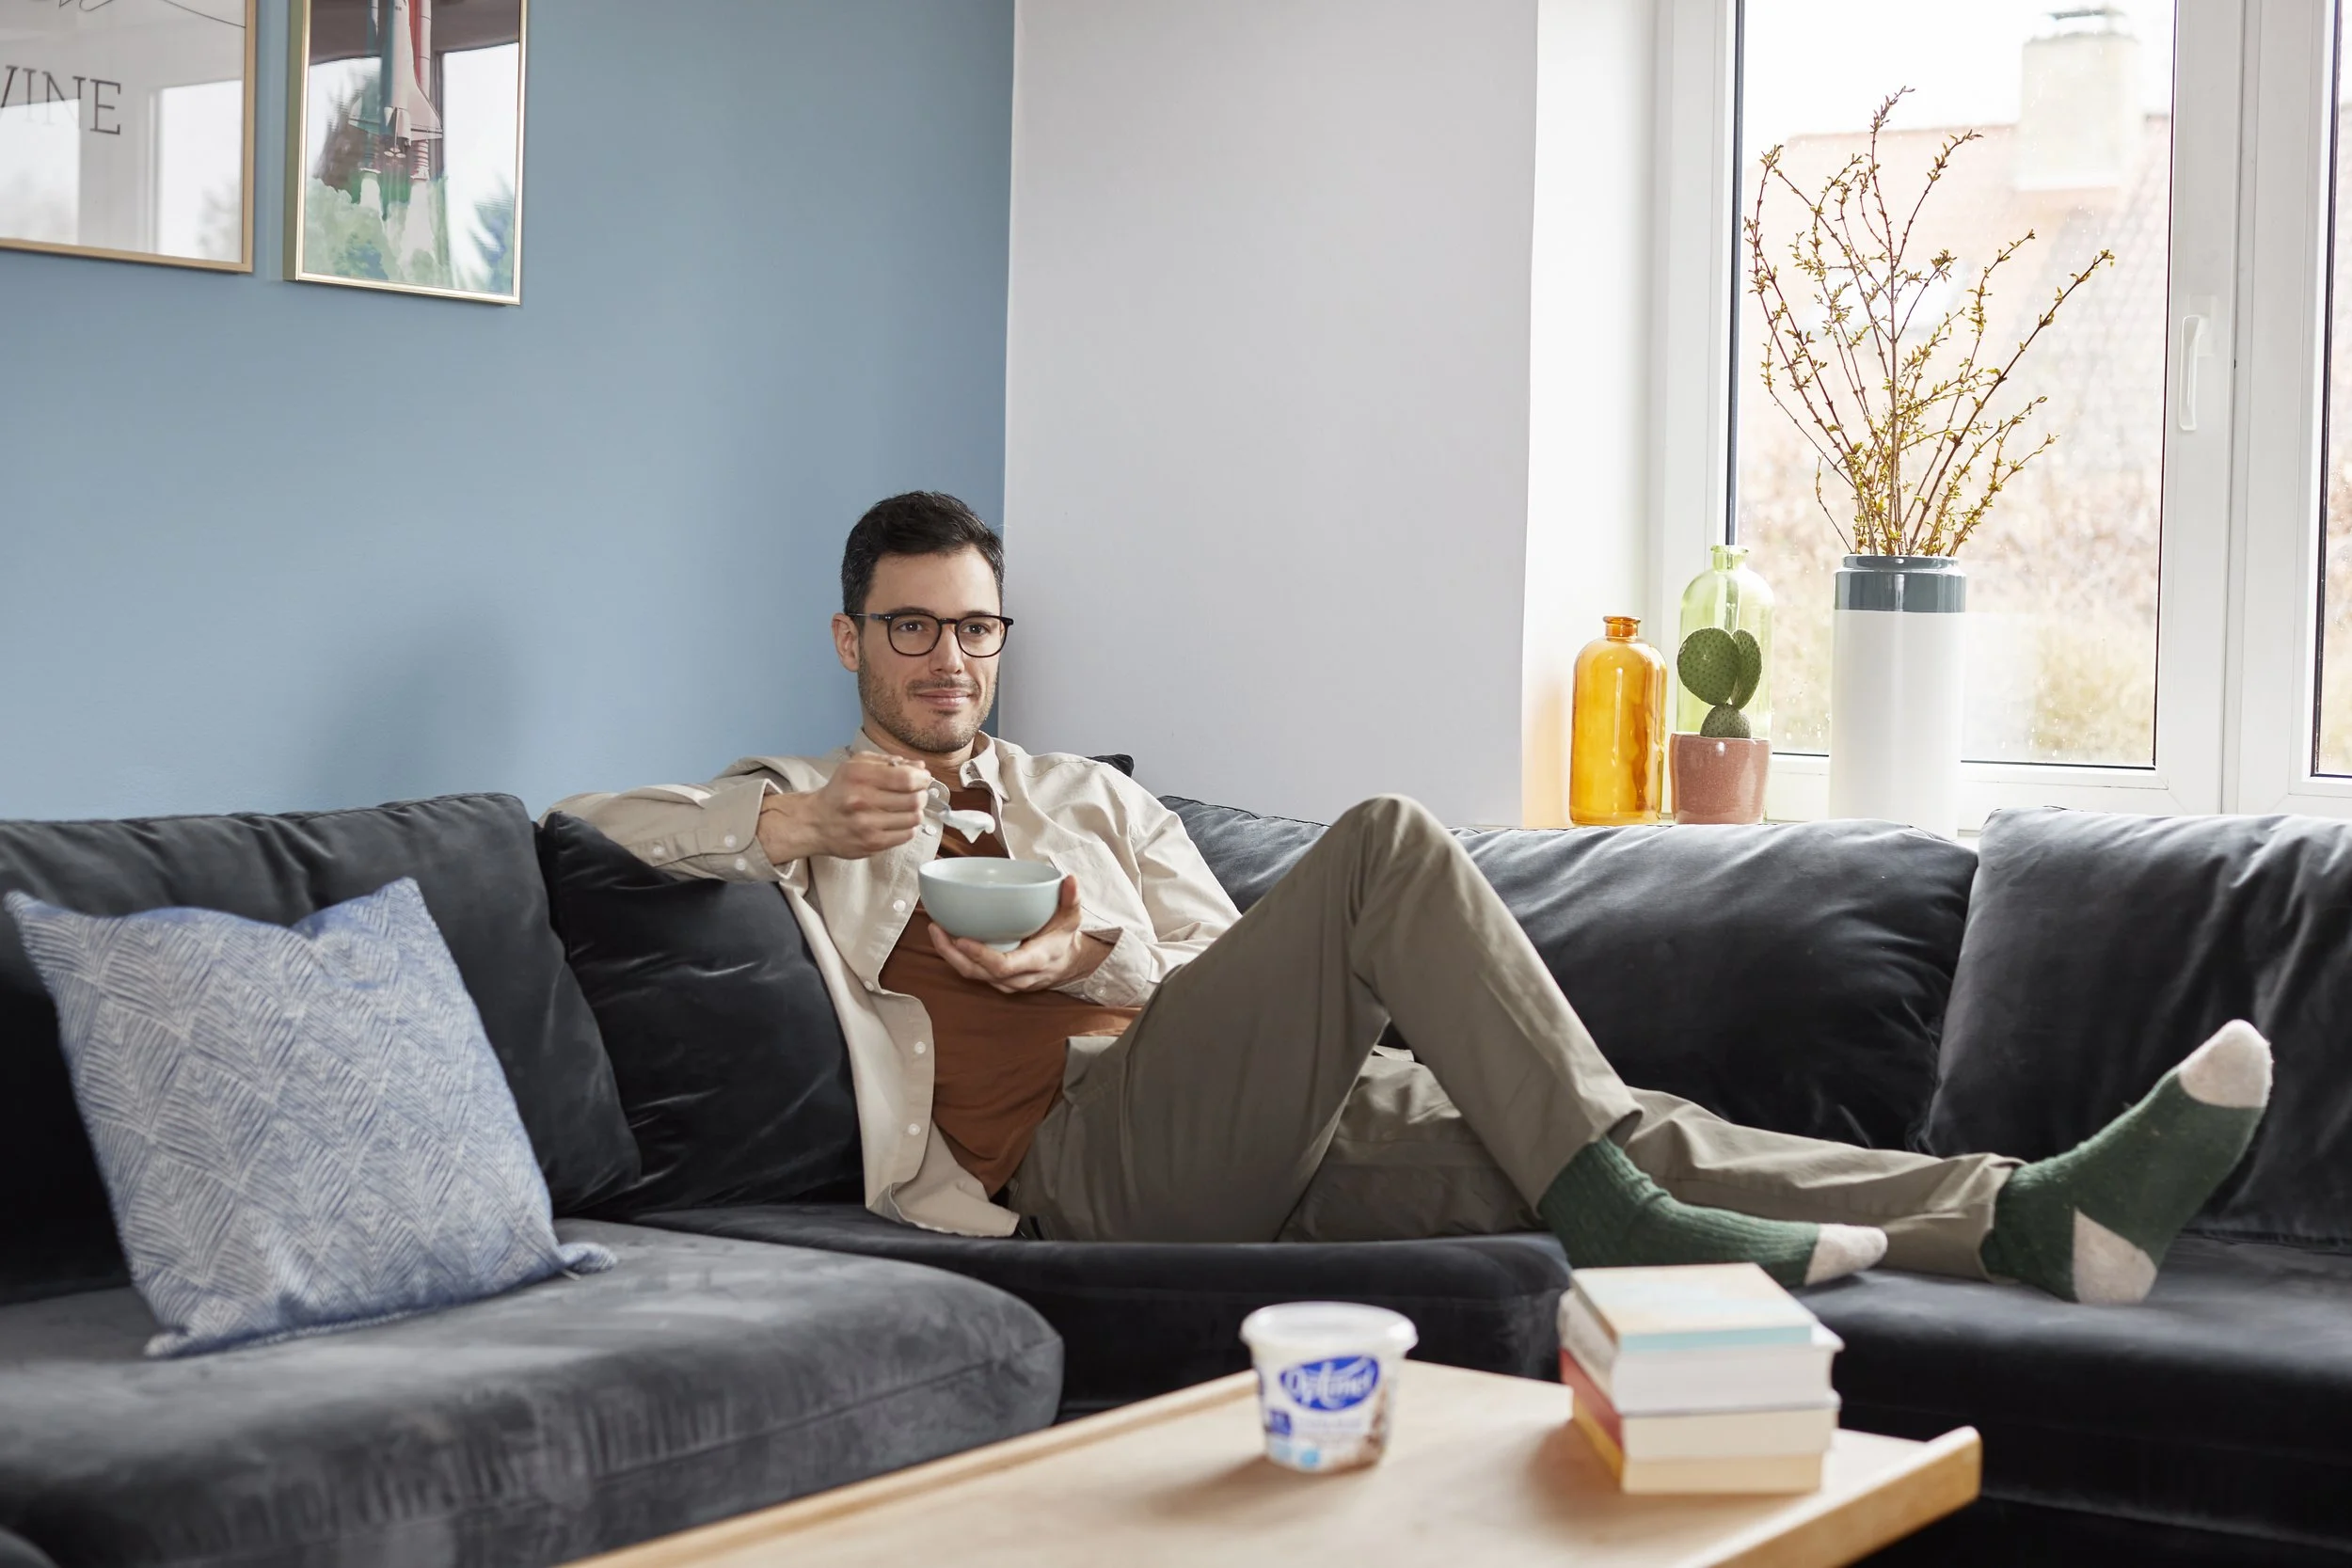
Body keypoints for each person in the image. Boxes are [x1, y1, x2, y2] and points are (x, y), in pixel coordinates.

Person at [550, 492, 2271, 1304]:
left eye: (975, 625)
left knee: (1616, 1131)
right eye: (911, 626)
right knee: (1382, 841)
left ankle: (2032, 1214)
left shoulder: (1096, 799)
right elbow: (595, 827)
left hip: (1255, 1111)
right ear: (851, 639)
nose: (948, 655)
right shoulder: (811, 804)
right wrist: (800, 824)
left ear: (1007, 639)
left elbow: (1228, 965)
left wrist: (1093, 939)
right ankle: (1615, 1206)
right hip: (1082, 1169)